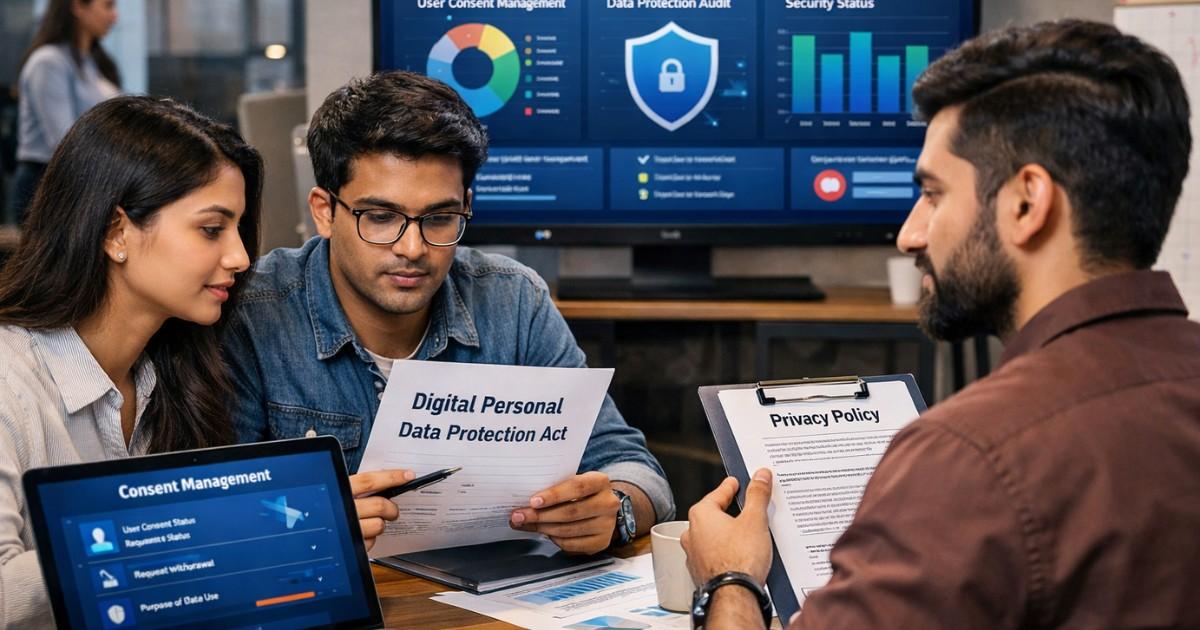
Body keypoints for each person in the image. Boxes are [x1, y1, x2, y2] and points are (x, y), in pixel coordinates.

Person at [681, 19, 1199, 629]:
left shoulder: (972, 458)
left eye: (933, 193)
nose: (910, 234)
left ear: (1026, 203)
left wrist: (731, 579)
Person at [225, 70, 674, 555]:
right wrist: (306, 520)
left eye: (439, 219)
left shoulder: (513, 300)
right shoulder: (252, 312)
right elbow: (211, 510)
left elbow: (632, 466)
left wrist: (616, 511)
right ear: (324, 211)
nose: (413, 248)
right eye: (381, 218)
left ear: (466, 206)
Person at [0, 96, 402, 628]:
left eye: (238, 229)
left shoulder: (177, 372)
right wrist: (221, 533)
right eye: (212, 229)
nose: (239, 257)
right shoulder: (11, 379)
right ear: (117, 231)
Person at [7, 0, 120, 224]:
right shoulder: (48, 61)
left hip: (83, 179)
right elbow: (63, 140)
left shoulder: (90, 63)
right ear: (78, 6)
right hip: (48, 184)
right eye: (107, 6)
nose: (114, 16)